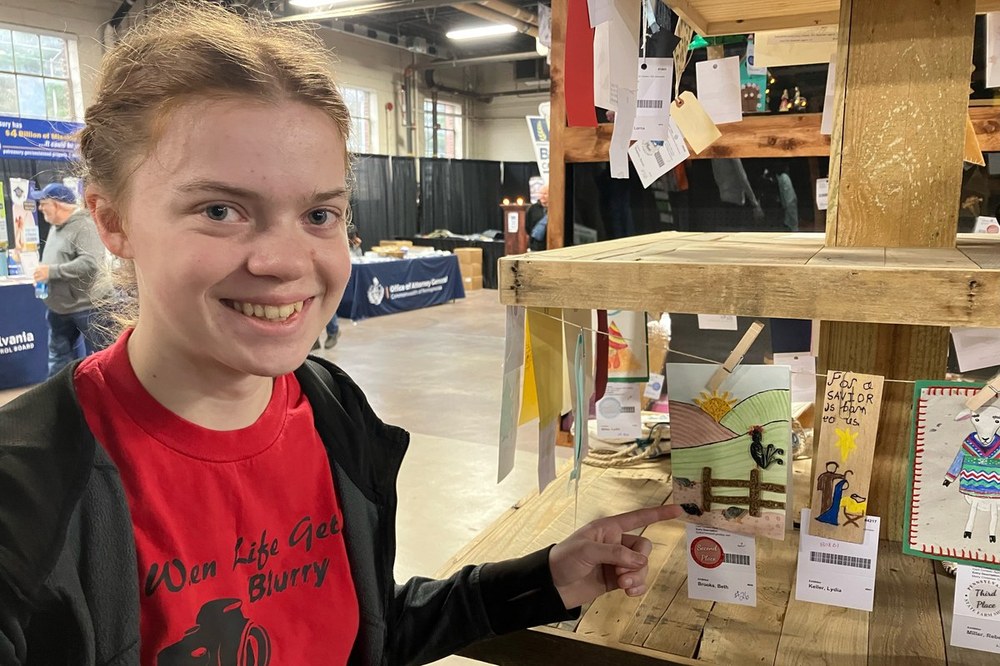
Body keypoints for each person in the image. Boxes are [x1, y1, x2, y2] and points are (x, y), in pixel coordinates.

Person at [0, 4, 683, 664]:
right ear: (112, 220)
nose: (286, 261)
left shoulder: (331, 410)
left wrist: (547, 579)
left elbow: (362, 634)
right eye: (220, 209)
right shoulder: (26, 497)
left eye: (319, 214)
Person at [30, 182, 109, 376]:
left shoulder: (85, 226)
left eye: (43, 203)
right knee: (58, 359)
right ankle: (59, 402)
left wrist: (51, 272)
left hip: (88, 307)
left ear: (58, 204)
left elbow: (90, 263)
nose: (40, 208)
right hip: (60, 309)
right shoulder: (56, 228)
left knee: (106, 356)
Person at [527, 183, 548, 251]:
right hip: (536, 246)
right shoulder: (533, 208)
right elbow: (528, 226)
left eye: (545, 194)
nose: (542, 196)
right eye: (541, 193)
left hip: (551, 246)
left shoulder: (557, 210)